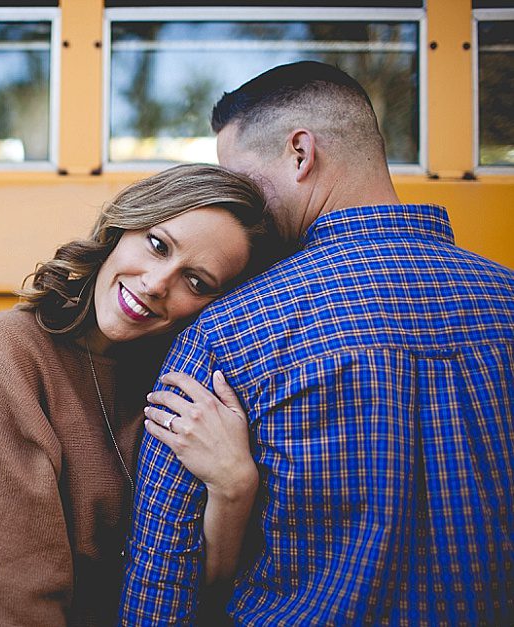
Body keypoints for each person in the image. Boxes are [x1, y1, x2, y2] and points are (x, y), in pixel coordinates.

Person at [120, 61, 514, 625]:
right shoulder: (506, 301)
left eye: (240, 178)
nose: (240, 205)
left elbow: (161, 580)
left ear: (300, 153)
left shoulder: (228, 330)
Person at [0, 164, 281, 626]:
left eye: (196, 282)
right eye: (158, 245)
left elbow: (204, 593)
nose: (156, 283)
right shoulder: (9, 353)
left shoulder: (186, 385)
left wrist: (234, 487)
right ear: (122, 227)